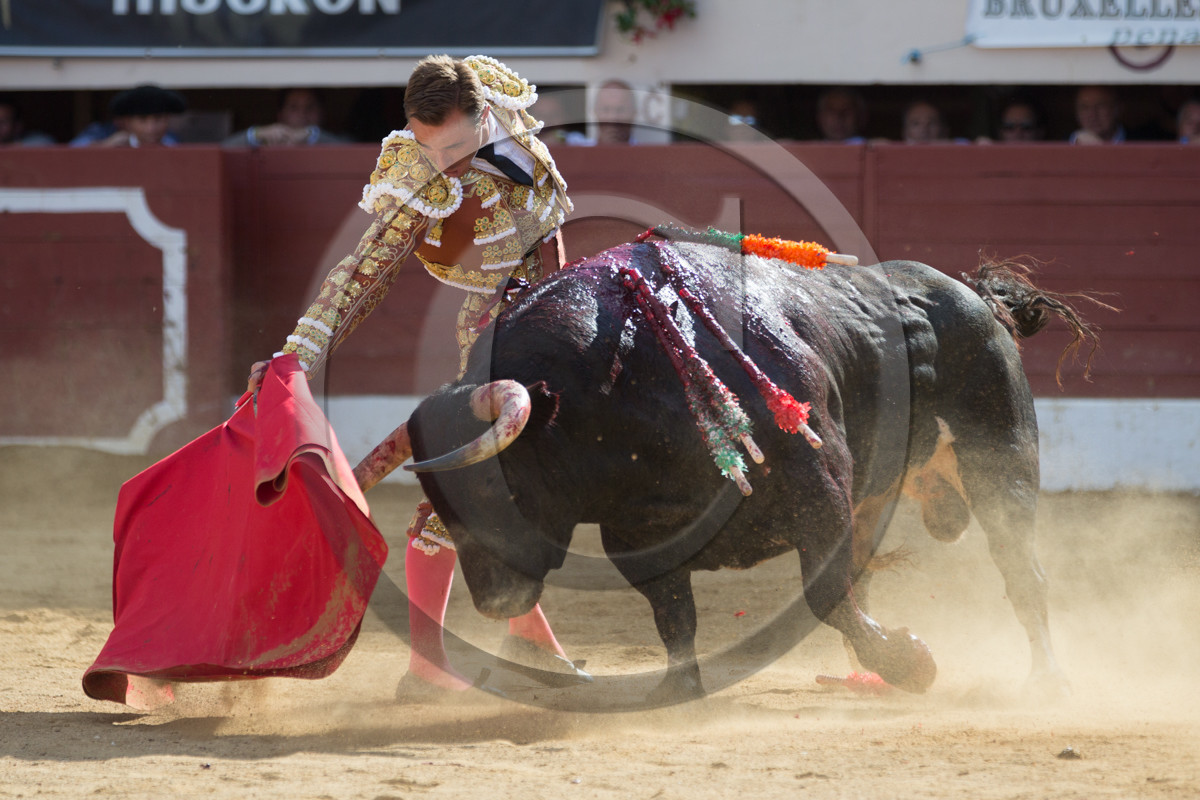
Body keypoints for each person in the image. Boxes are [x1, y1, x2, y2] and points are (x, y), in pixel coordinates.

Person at [246, 54, 583, 695]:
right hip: (491, 339)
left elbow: (553, 237)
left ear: (483, 118)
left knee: (521, 486)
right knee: (461, 495)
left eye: (454, 147)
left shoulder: (510, 120)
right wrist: (297, 356)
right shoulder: (420, 177)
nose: (442, 164)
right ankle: (430, 665)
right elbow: (362, 273)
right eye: (430, 149)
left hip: (550, 329)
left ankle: (530, 643)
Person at [223, 87, 349, 147]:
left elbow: (352, 151)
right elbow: (222, 149)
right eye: (294, 107)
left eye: (310, 107)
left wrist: (312, 135)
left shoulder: (333, 140)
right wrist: (257, 134)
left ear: (321, 113)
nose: (302, 114)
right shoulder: (267, 139)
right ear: (281, 115)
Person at [70, 84, 186, 148]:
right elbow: (72, 151)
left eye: (158, 119)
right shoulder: (103, 134)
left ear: (167, 119)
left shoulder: (171, 142)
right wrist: (104, 146)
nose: (150, 129)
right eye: (142, 120)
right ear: (126, 122)